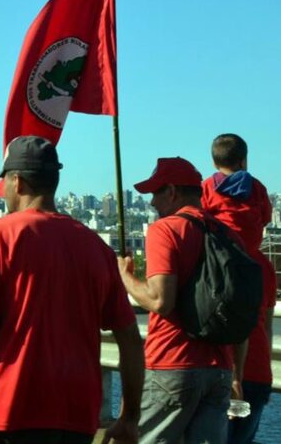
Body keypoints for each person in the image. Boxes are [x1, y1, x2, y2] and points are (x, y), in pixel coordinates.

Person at [0, 136, 143, 444]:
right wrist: (129, 418)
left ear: (17, 182)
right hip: (78, 414)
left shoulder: (1, 235)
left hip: (14, 410)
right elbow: (131, 341)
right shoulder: (97, 247)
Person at [118, 157, 240, 444]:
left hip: (172, 364)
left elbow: (160, 300)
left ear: (171, 191)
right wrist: (235, 374)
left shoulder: (166, 230)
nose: (151, 203)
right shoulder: (228, 235)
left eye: (154, 194)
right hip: (220, 368)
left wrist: (124, 277)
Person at [202, 133, 275, 444]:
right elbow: (269, 328)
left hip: (213, 373)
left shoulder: (207, 264)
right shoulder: (265, 269)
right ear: (244, 160)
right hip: (257, 373)